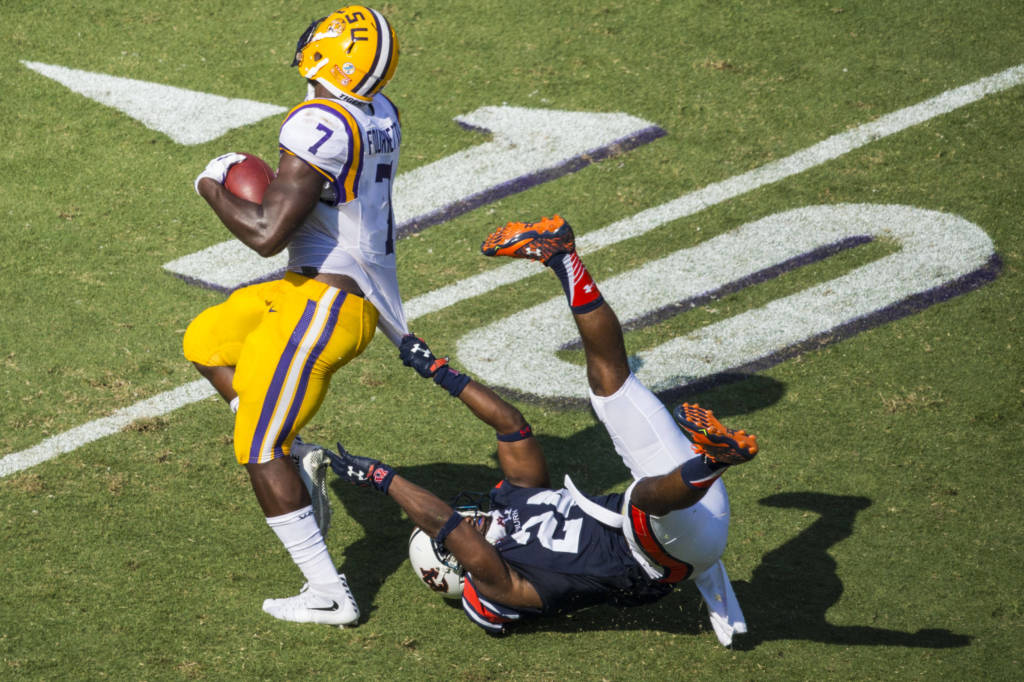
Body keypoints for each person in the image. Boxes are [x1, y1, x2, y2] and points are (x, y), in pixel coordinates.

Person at [327, 216, 759, 645]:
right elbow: (447, 525)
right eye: (451, 549)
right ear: (457, 567)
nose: (467, 526)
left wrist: (438, 370)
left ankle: (562, 256)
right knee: (639, 502)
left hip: (688, 500)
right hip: (668, 544)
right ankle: (714, 459)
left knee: (611, 386)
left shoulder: (512, 497)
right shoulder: (499, 585)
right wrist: (380, 477)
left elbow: (511, 426)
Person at [182, 6, 404, 627]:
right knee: (208, 339)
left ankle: (328, 591)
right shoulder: (379, 111)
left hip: (329, 306)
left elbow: (265, 233)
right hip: (312, 288)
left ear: (330, 57)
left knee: (255, 445)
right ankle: (297, 455)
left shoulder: (319, 123)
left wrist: (212, 183)